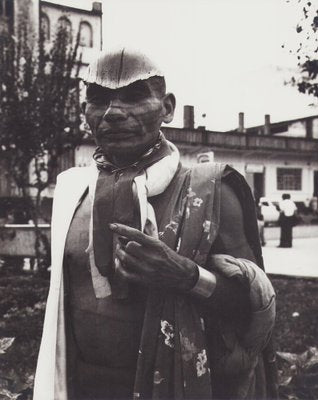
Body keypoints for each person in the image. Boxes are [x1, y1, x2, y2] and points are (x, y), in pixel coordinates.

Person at [34, 48, 277, 400]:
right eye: (98, 99)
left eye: (134, 97)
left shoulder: (210, 191)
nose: (114, 113)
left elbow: (253, 306)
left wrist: (187, 276)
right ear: (84, 109)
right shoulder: (72, 192)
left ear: (168, 107)